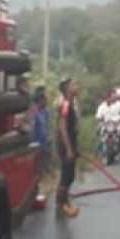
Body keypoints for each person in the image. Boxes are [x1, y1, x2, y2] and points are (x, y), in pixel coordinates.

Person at [55, 78, 82, 217]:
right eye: (73, 85)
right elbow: (63, 127)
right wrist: (69, 149)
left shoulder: (73, 103)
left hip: (71, 143)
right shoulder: (65, 104)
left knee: (70, 175)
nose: (76, 87)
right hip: (66, 145)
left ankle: (64, 202)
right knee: (66, 175)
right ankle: (61, 204)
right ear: (67, 89)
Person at [30, 86, 51, 198]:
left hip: (42, 145)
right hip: (35, 146)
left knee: (40, 170)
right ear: (40, 100)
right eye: (45, 99)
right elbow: (31, 128)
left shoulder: (44, 112)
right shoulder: (33, 112)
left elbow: (46, 127)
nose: (47, 101)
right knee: (35, 170)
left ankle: (38, 190)